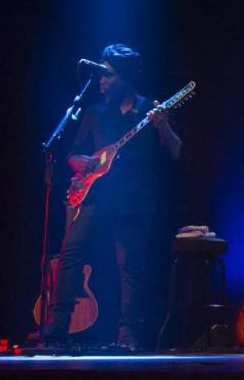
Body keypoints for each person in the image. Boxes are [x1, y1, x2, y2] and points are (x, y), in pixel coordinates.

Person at [41, 44, 182, 350]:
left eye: (109, 75)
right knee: (70, 254)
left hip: (133, 200)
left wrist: (165, 126)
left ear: (127, 78)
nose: (102, 81)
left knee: (130, 264)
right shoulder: (93, 112)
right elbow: (73, 154)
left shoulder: (150, 109)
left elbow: (176, 150)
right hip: (93, 195)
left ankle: (127, 335)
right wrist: (84, 163)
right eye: (101, 75)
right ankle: (56, 329)